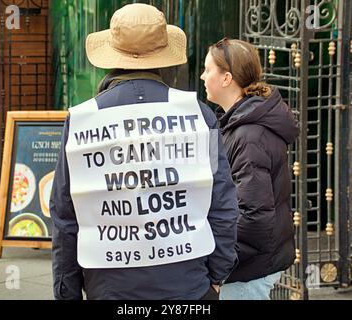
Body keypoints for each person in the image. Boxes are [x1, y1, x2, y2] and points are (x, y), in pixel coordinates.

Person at [50, 4, 239, 300]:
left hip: (110, 288)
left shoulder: (81, 120)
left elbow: (64, 216)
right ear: (163, 58)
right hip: (188, 285)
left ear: (112, 56)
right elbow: (223, 204)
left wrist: (67, 292)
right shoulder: (200, 115)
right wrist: (216, 275)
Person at [200, 38, 299, 300]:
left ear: (226, 78)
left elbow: (253, 216)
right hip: (248, 265)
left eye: (208, 69)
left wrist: (218, 268)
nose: (202, 76)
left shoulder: (248, 135)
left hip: (246, 271)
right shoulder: (239, 124)